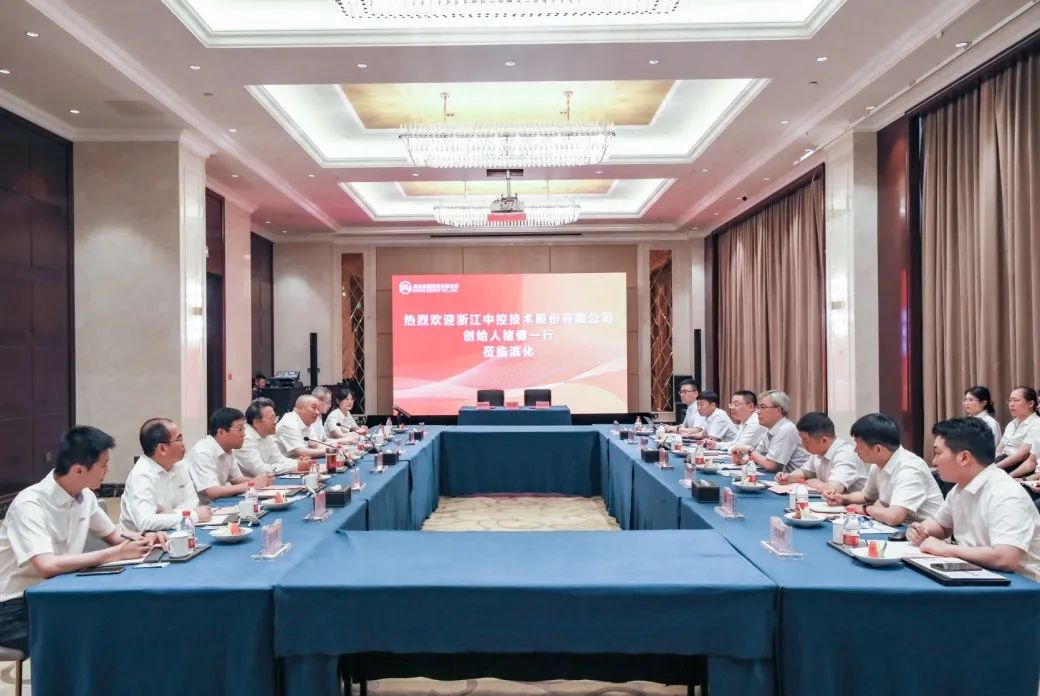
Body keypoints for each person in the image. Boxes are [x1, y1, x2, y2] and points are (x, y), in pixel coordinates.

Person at [0, 427, 164, 654]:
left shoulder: (84, 495)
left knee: (123, 617)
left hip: (59, 594)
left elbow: (115, 536)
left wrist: (146, 538)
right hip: (15, 607)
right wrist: (115, 554)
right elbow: (46, 566)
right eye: (103, 465)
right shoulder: (30, 504)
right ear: (78, 469)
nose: (107, 471)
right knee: (93, 634)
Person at [907, 417, 1040, 581]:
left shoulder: (1006, 493)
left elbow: (1005, 558)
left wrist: (947, 549)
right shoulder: (960, 488)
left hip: (1020, 586)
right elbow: (941, 525)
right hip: (979, 575)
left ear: (964, 458)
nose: (934, 461)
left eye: (938, 453)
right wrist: (921, 529)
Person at [824, 413, 943, 525]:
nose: (855, 450)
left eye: (858, 444)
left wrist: (866, 509)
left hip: (926, 533)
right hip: (899, 528)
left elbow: (894, 517)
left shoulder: (909, 469)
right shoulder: (878, 465)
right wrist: (842, 498)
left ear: (878, 449)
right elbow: (866, 496)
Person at [120, 418, 213, 532]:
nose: (183, 444)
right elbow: (145, 522)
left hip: (175, 531)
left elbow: (192, 502)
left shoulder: (180, 464)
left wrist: (171, 514)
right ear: (162, 448)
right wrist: (192, 516)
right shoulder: (141, 475)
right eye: (179, 439)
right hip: (142, 539)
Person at [185, 408, 273, 503]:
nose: (244, 434)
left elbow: (236, 479)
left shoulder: (228, 449)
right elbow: (211, 491)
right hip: (202, 508)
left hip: (219, 503)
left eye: (244, 429)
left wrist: (260, 480)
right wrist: (251, 484)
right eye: (240, 429)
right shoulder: (202, 452)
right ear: (221, 432)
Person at [776, 412, 867, 493]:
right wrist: (789, 477)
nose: (803, 444)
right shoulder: (819, 451)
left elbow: (833, 490)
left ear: (824, 440)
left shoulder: (845, 454)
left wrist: (818, 484)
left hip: (853, 505)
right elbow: (806, 472)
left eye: (805, 440)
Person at [732, 390, 810, 473]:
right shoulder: (770, 429)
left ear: (778, 411)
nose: (757, 411)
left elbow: (771, 465)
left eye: (763, 407)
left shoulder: (786, 429)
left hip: (798, 478)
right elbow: (758, 455)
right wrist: (742, 459)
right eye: (758, 407)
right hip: (782, 477)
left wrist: (748, 450)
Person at [239, 398, 311, 477]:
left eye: (275, 417)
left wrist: (299, 462)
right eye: (271, 418)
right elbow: (260, 470)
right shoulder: (244, 438)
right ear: (256, 423)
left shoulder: (266, 434)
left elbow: (278, 458)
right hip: (250, 483)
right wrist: (296, 466)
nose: (275, 422)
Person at [998, 387, 1040, 478]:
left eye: (1016, 400)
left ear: (1031, 403)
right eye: (1010, 400)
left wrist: (995, 467)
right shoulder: (1012, 423)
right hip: (1001, 460)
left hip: (1016, 464)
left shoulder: (1037, 423)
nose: (1011, 404)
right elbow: (999, 449)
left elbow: (1022, 455)